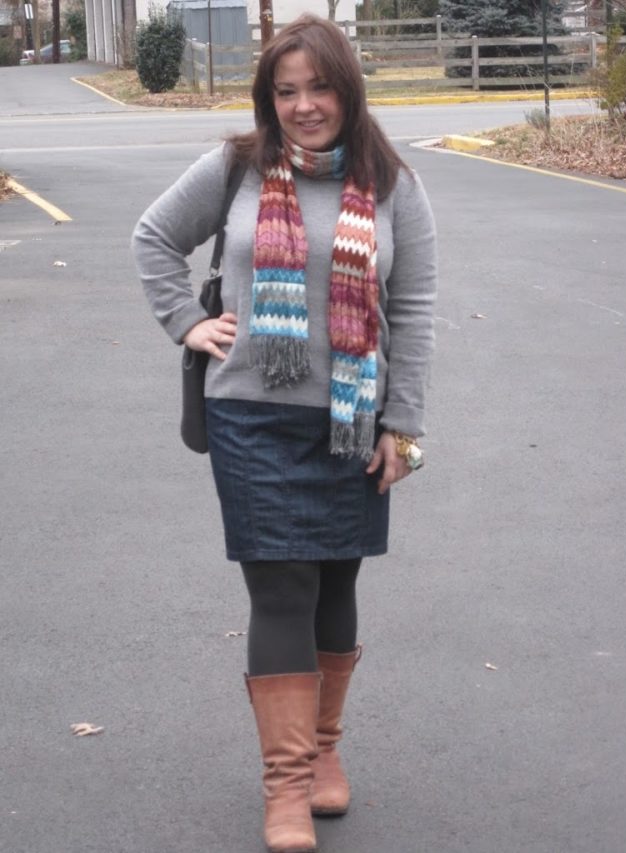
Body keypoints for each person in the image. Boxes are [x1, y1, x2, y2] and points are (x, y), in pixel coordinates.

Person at [132, 13, 437, 853]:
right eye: (286, 90)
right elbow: (153, 236)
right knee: (280, 589)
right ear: (270, 99)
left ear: (348, 86)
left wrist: (401, 425)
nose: (304, 105)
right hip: (251, 417)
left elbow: (411, 308)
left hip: (350, 418)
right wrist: (187, 324)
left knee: (336, 584)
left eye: (319, 86)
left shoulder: (391, 186)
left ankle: (326, 754)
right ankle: (287, 786)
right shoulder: (235, 167)